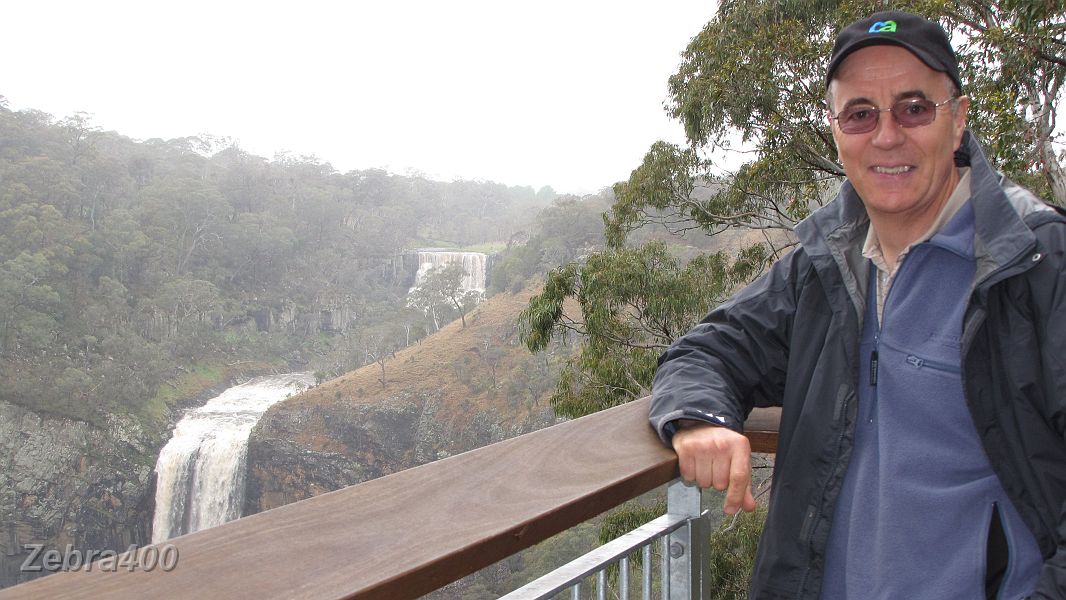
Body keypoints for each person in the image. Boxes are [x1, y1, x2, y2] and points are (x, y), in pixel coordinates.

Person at [649, 10, 1066, 599]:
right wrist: (701, 420)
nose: (887, 134)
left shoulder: (1035, 263)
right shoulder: (824, 266)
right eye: (861, 114)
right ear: (837, 130)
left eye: (914, 107)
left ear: (958, 119)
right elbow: (707, 350)